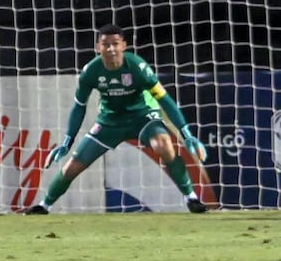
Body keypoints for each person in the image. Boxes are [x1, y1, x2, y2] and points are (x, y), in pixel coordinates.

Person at [24, 23, 209, 215]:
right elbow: (79, 107)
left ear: (124, 46)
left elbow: (165, 99)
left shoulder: (138, 67)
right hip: (109, 122)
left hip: (143, 116)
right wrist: (66, 141)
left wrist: (186, 134)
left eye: (115, 44)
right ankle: (44, 205)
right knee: (74, 165)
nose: (111, 49)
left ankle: (191, 198)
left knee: (163, 145)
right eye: (106, 44)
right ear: (98, 47)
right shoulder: (91, 71)